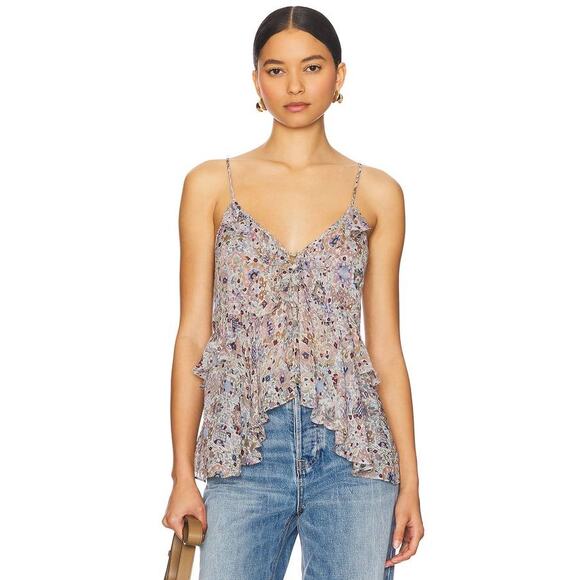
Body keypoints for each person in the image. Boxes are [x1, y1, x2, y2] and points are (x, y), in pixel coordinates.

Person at [162, 6, 424, 579]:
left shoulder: (378, 193)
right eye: (276, 70)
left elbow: (385, 348)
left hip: (355, 453)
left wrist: (411, 480)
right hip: (243, 452)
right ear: (256, 80)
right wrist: (183, 473)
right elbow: (192, 337)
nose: (295, 86)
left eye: (312, 66)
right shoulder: (211, 184)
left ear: (339, 75)